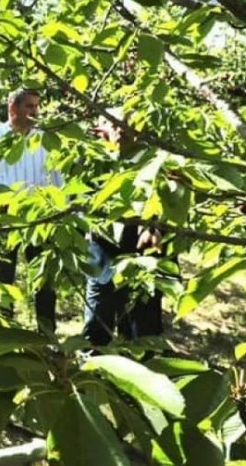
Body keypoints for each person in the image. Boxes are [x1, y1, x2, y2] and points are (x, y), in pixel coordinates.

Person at [0, 89, 63, 334]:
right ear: (13, 108)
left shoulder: (44, 137)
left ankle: (47, 334)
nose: (34, 112)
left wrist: (60, 208)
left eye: (36, 106)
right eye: (29, 107)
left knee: (44, 277)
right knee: (5, 277)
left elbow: (57, 175)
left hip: (41, 217)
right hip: (6, 217)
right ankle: (4, 333)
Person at [83, 113, 166, 347]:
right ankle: (93, 377)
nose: (122, 130)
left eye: (127, 124)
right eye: (114, 123)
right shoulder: (92, 161)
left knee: (142, 333)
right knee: (96, 329)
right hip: (102, 258)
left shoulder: (156, 162)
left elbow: (169, 204)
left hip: (143, 257)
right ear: (102, 128)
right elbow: (79, 201)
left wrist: (156, 227)